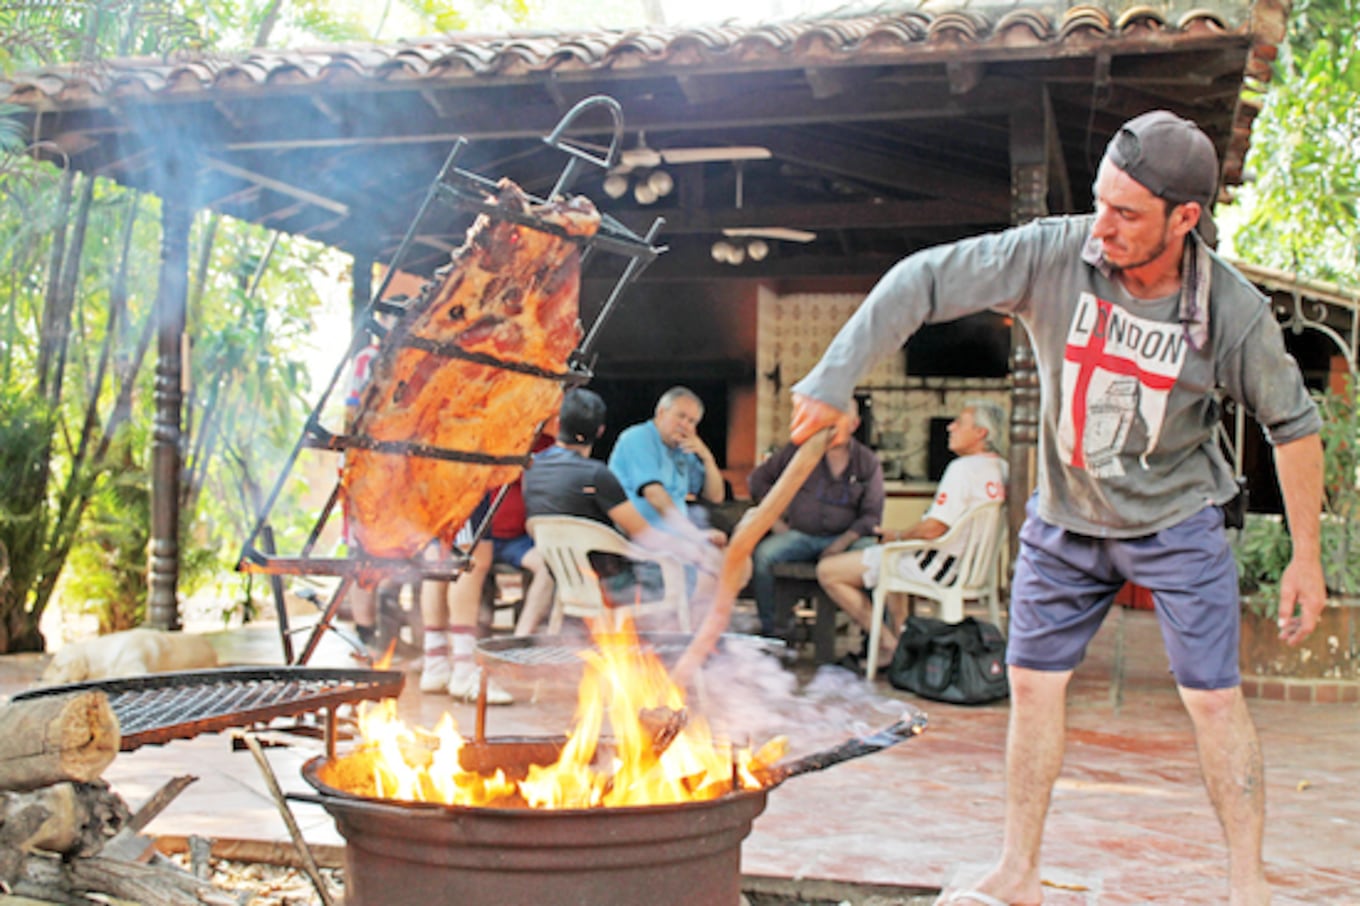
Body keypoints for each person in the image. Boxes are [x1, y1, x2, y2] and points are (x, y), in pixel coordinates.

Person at [787, 111, 1326, 906]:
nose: (1102, 226)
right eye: (1102, 202)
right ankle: (1018, 871)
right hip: (1066, 518)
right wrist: (834, 377)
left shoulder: (1231, 312)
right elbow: (923, 279)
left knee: (1212, 698)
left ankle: (1247, 885)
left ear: (1185, 219)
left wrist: (1307, 558)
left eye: (1127, 213)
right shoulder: (1053, 251)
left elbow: (1294, 427)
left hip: (1177, 523)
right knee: (1031, 685)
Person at [817, 402, 1006, 668]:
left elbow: (934, 528)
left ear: (981, 433)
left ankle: (889, 644)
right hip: (970, 568)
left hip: (939, 567)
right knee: (893, 564)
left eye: (959, 423)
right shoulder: (1003, 469)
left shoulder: (962, 469)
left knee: (828, 571)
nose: (950, 427)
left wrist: (897, 535)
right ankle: (905, 645)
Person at [521, 388, 716, 634]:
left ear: (557, 423)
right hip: (610, 585)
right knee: (693, 571)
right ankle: (667, 651)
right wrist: (693, 547)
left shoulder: (532, 469)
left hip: (565, 577)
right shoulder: (597, 475)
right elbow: (645, 534)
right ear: (601, 431)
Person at [747, 402, 884, 638]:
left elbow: (872, 515)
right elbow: (758, 481)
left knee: (875, 560)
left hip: (847, 538)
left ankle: (874, 638)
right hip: (801, 535)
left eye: (839, 420)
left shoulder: (867, 461)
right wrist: (775, 522)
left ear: (854, 424)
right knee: (764, 556)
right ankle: (775, 630)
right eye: (828, 420)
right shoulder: (798, 450)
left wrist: (839, 544)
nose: (831, 427)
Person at [418, 500, 514, 705]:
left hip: (435, 475)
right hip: (463, 474)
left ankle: (435, 664)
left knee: (438, 559)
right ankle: (464, 669)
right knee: (470, 558)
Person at [608, 386, 727, 548]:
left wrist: (707, 458)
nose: (685, 425)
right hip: (640, 535)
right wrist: (692, 534)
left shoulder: (683, 449)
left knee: (738, 560)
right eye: (681, 416)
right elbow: (654, 495)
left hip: (676, 535)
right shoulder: (638, 437)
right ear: (661, 412)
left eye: (691, 421)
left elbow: (715, 497)